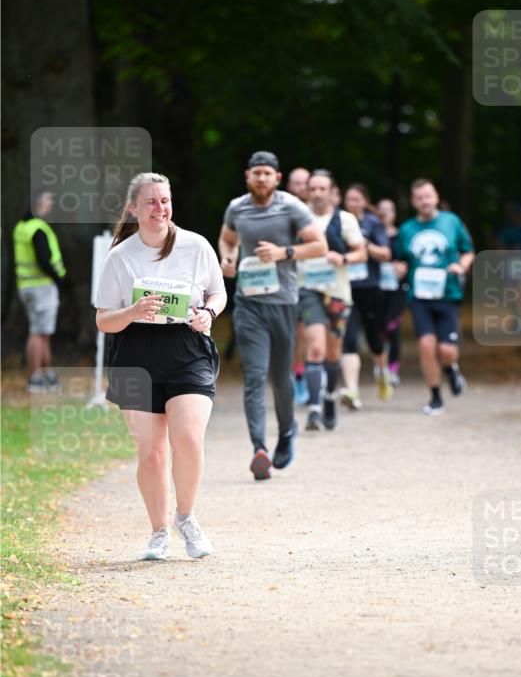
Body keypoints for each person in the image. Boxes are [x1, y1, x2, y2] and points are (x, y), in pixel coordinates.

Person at [95, 172, 227, 561]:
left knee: (187, 438)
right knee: (150, 452)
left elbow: (217, 292)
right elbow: (103, 320)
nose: (160, 208)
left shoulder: (195, 245)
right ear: (134, 208)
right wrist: (133, 311)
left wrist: (208, 313)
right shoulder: (120, 257)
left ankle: (186, 518)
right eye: (151, 201)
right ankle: (158, 532)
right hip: (135, 354)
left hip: (187, 348)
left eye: (165, 200)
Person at [219, 151, 327, 479]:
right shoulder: (237, 207)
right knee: (254, 375)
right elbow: (227, 239)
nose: (262, 178)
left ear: (277, 178)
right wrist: (228, 259)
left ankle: (285, 433)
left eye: (268, 173)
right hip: (249, 304)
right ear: (247, 176)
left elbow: (319, 246)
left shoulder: (291, 206)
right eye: (256, 173)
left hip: (283, 302)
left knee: (280, 380)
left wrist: (284, 253)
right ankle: (258, 449)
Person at [394, 178, 475, 415]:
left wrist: (462, 266)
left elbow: (468, 251)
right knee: (426, 345)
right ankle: (435, 397)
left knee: (447, 350)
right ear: (413, 202)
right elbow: (400, 260)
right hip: (419, 296)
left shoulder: (451, 222)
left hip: (448, 293)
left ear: (436, 197)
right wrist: (399, 269)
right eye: (419, 198)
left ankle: (451, 370)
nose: (424, 201)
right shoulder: (406, 229)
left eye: (428, 196)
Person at [297, 170, 366, 431]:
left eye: (321, 189)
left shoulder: (345, 219)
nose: (316, 193)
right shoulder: (299, 217)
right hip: (308, 289)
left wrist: (344, 259)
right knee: (315, 346)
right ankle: (314, 409)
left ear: (331, 191)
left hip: (337, 292)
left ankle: (328, 399)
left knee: (333, 352)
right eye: (312, 189)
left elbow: (361, 252)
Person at [339, 183, 393, 409]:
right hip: (345, 288)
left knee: (374, 339)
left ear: (364, 201)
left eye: (357, 199)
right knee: (348, 338)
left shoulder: (373, 223)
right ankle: (352, 390)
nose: (353, 204)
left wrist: (364, 245)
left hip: (370, 287)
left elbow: (386, 254)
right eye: (349, 199)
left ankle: (382, 370)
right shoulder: (338, 221)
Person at [13, 191, 67, 392]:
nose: (51, 204)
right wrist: (58, 278)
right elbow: (44, 260)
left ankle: (47, 376)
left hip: (26, 286)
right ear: (38, 204)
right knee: (38, 332)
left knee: (42, 332)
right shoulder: (38, 228)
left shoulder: (21, 227)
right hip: (41, 287)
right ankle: (36, 378)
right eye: (48, 200)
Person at [286, 166, 312, 407]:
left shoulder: (317, 215)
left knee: (307, 333)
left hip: (313, 283)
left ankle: (305, 375)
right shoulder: (280, 211)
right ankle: (294, 375)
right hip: (285, 282)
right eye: (297, 183)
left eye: (306, 183)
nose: (301, 188)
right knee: (291, 334)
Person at [376, 198, 406, 386]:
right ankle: (381, 365)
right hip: (377, 288)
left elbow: (408, 257)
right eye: (382, 210)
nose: (386, 213)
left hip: (397, 288)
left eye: (390, 209)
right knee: (378, 327)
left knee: (393, 327)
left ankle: (393, 368)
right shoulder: (372, 233)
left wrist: (403, 267)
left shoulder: (402, 235)